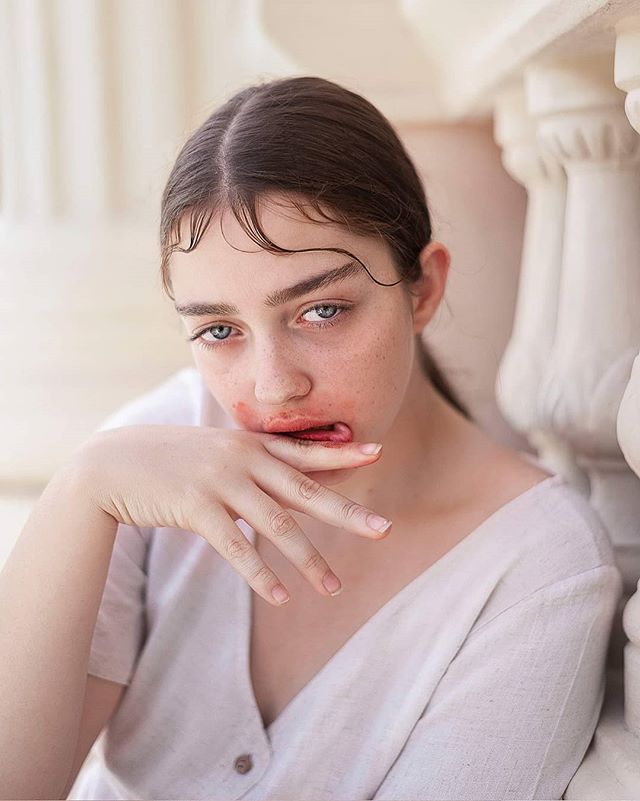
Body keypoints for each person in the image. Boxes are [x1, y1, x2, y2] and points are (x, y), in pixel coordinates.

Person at [0, 76, 622, 801]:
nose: (273, 386)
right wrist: (81, 491)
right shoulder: (145, 463)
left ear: (421, 289)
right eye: (219, 330)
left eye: (321, 310)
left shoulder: (538, 561)